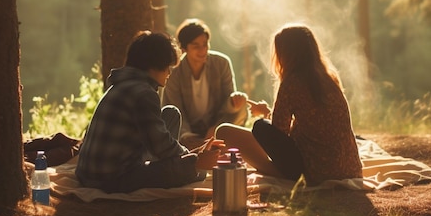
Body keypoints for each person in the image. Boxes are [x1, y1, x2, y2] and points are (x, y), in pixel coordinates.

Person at [216, 24, 363, 186]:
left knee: (249, 128)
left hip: (316, 173)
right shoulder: (329, 78)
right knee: (260, 127)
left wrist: (265, 117)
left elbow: (278, 132)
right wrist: (267, 113)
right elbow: (311, 121)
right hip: (351, 168)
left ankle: (275, 172)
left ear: (286, 54)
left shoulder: (292, 82)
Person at [75, 31, 221, 193]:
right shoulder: (143, 93)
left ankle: (187, 161)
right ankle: (192, 163)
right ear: (154, 66)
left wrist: (190, 155)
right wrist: (195, 159)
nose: (169, 73)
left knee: (170, 114)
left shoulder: (122, 85)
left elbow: (156, 138)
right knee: (197, 171)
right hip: (112, 178)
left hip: (87, 172)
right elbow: (161, 146)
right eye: (167, 67)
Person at [163, 18, 249, 150]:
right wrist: (187, 135)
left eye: (205, 44)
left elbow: (227, 103)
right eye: (196, 46)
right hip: (187, 131)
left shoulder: (222, 63)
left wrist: (234, 102)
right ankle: (201, 147)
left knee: (241, 106)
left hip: (216, 126)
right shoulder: (174, 72)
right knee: (172, 122)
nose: (202, 50)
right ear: (184, 48)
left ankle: (217, 142)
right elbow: (173, 107)